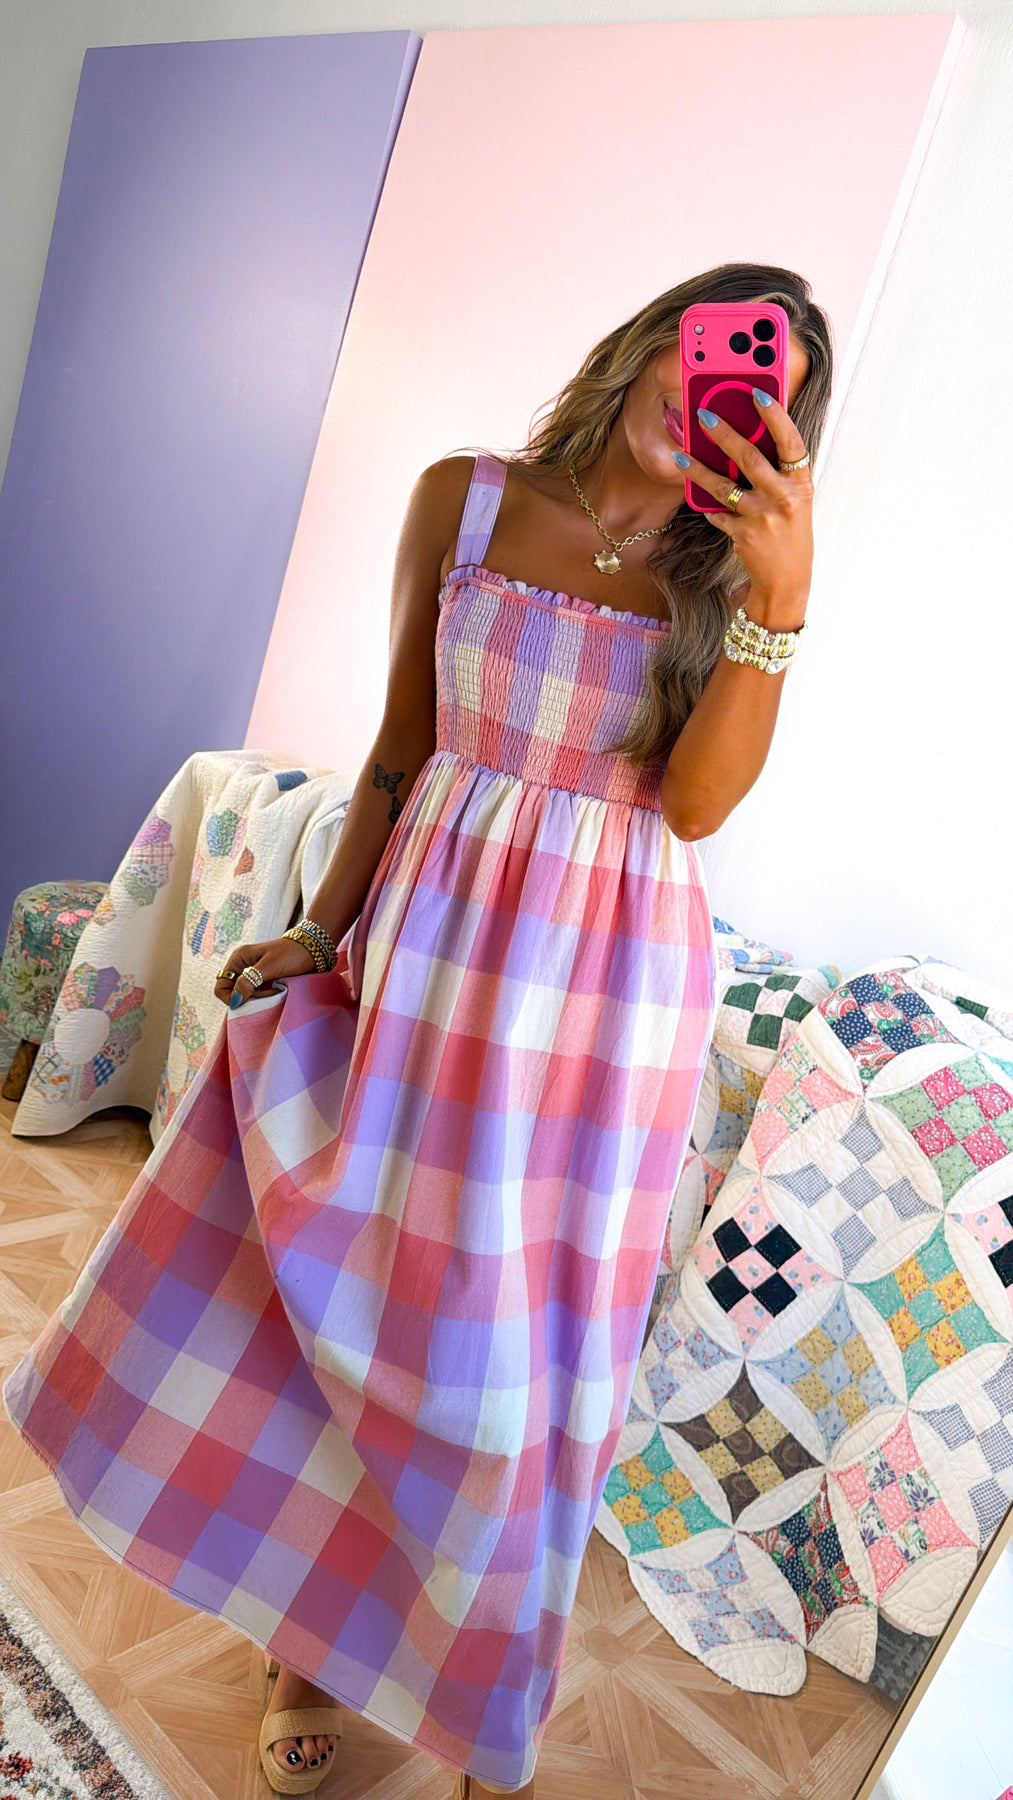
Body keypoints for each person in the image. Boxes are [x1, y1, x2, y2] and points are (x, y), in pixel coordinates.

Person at [3, 262, 832, 1799]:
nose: (711, 380)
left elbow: (696, 807)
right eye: (706, 341)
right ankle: (309, 1640)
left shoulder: (729, 582)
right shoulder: (465, 499)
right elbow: (400, 746)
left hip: (599, 1013)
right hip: (427, 965)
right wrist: (324, 926)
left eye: (759, 378)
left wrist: (777, 601)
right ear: (651, 339)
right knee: (360, 1311)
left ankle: (467, 1674)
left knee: (509, 1374)